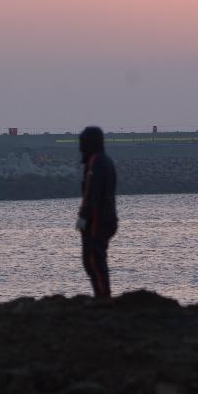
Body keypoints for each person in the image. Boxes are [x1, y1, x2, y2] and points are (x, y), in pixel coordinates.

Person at [76, 125, 118, 299]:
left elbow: (90, 193)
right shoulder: (105, 160)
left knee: (93, 258)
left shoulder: (96, 161)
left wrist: (82, 219)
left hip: (97, 219)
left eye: (82, 143)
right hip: (106, 217)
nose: (80, 147)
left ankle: (103, 298)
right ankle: (102, 295)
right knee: (95, 258)